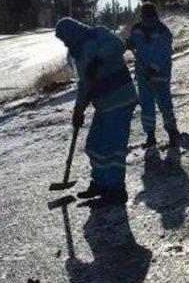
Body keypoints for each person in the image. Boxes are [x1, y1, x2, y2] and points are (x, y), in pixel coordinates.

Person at [55, 17, 137, 205]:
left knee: (113, 148)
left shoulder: (98, 33)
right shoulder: (77, 53)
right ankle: (100, 183)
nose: (65, 42)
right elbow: (85, 85)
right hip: (104, 105)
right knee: (95, 145)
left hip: (120, 99)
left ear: (73, 31)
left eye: (65, 38)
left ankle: (116, 189)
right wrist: (78, 110)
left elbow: (119, 45)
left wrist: (99, 59)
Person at [127, 2, 179, 149]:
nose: (148, 21)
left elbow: (164, 53)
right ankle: (150, 136)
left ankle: (172, 133)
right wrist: (129, 43)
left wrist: (154, 69)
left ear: (155, 16)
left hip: (160, 76)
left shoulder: (163, 32)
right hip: (143, 76)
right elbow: (133, 42)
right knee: (147, 107)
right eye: (145, 17)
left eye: (150, 17)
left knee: (165, 105)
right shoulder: (137, 30)